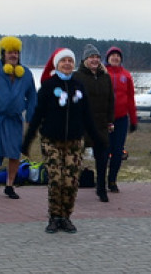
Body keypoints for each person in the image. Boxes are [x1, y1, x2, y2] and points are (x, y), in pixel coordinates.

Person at [22, 48, 100, 233]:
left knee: (71, 181)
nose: (67, 64)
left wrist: (97, 138)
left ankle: (66, 217)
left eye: (70, 61)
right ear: (57, 64)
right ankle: (54, 217)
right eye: (63, 61)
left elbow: (87, 115)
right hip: (51, 141)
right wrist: (28, 140)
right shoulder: (48, 87)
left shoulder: (79, 86)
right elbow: (37, 115)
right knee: (56, 179)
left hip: (74, 142)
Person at [0, 36, 37, 200]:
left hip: (15, 120)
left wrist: (30, 116)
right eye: (10, 52)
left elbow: (32, 96)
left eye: (16, 52)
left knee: (14, 153)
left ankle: (9, 185)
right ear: (3, 54)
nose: (14, 55)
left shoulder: (26, 74)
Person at [76, 44, 114, 202]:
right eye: (92, 57)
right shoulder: (77, 77)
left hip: (101, 124)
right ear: (85, 59)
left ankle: (101, 188)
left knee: (103, 157)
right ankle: (70, 186)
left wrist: (110, 121)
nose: (95, 60)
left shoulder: (105, 77)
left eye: (97, 57)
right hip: (83, 124)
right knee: (76, 157)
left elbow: (111, 100)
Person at [104, 46, 138, 193]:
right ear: (108, 58)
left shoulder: (126, 75)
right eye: (112, 56)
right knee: (104, 150)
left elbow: (130, 98)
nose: (115, 58)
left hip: (121, 119)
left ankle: (112, 180)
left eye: (118, 56)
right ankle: (100, 180)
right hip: (105, 119)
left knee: (117, 152)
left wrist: (134, 119)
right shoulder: (103, 73)